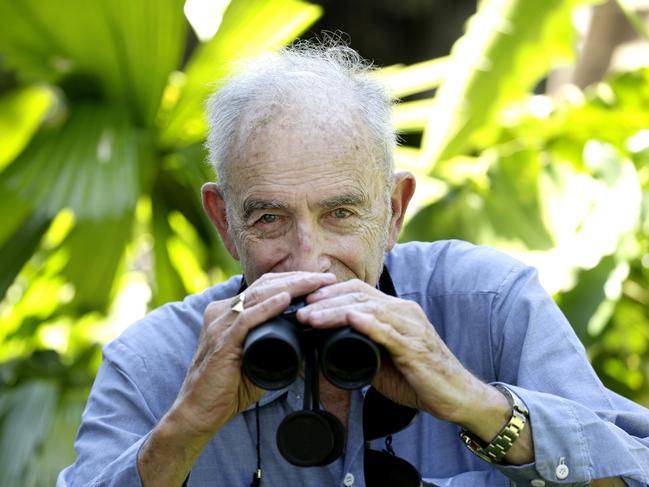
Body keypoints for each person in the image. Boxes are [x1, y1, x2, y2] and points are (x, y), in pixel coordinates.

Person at [58, 43, 649, 487]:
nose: (309, 259)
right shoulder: (149, 363)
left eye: (341, 213)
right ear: (224, 222)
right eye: (269, 219)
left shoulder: (490, 304)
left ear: (394, 212)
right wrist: (183, 431)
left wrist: (480, 406)